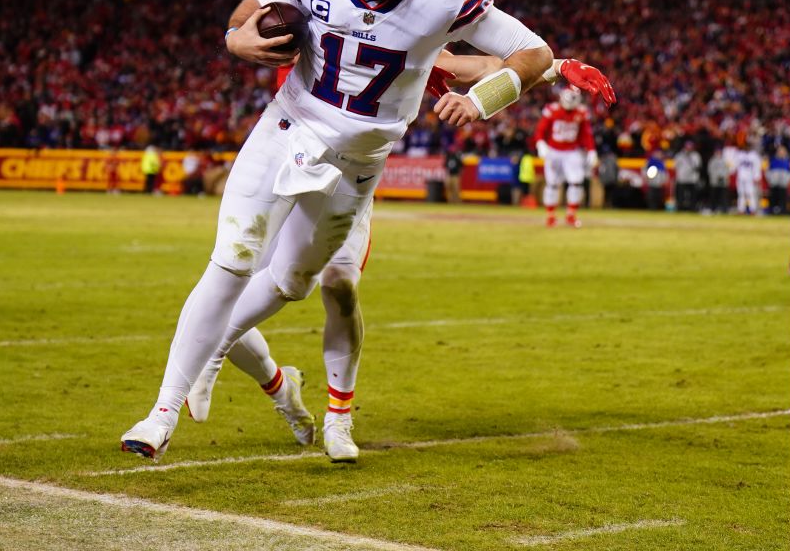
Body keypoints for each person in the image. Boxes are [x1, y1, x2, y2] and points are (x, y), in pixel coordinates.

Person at [120, 0, 615, 461]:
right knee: (231, 260)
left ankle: (285, 386)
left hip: (358, 162)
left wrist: (512, 89)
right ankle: (163, 411)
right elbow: (260, 2)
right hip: (288, 128)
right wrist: (234, 35)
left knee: (298, 283)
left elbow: (511, 53)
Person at [184, 52, 607, 462]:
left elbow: (476, 65)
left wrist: (554, 67)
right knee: (227, 293)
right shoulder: (311, 4)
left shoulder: (390, 27)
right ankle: (281, 389)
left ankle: (338, 417)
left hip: (346, 182)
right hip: (283, 171)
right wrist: (237, 32)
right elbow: (256, 14)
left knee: (340, 285)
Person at [532, 87, 597, 227]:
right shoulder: (552, 109)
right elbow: (540, 129)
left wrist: (591, 150)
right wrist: (540, 143)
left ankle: (571, 215)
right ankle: (550, 216)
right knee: (552, 184)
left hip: (572, 151)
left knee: (576, 182)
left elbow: (586, 133)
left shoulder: (581, 112)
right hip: (554, 150)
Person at [734, 141, 764, 215]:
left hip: (750, 178)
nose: (746, 148)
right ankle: (741, 210)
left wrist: (757, 177)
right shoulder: (739, 154)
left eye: (748, 146)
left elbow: (757, 167)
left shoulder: (754, 156)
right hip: (741, 177)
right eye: (745, 146)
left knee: (750, 194)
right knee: (741, 194)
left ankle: (752, 210)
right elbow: (735, 166)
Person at [672, 140, 702, 211]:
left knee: (693, 195)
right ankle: (680, 208)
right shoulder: (679, 155)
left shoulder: (695, 155)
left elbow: (698, 166)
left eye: (690, 147)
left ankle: (692, 208)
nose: (688, 149)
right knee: (680, 195)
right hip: (682, 178)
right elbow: (675, 166)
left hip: (692, 179)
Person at [766, 145, 790, 215]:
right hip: (774, 183)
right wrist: (771, 180)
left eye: (782, 151)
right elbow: (768, 171)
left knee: (783, 197)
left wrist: (787, 181)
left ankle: (783, 211)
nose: (781, 153)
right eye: (780, 151)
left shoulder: (787, 161)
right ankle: (772, 210)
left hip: (783, 184)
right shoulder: (773, 161)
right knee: (773, 197)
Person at [706, 142, 731, 213]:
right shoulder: (712, 160)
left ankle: (724, 209)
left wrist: (723, 176)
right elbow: (710, 170)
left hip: (723, 181)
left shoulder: (725, 160)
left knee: (723, 196)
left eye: (719, 151)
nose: (718, 152)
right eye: (717, 151)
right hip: (715, 181)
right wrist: (716, 176)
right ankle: (713, 208)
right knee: (714, 196)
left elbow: (727, 170)